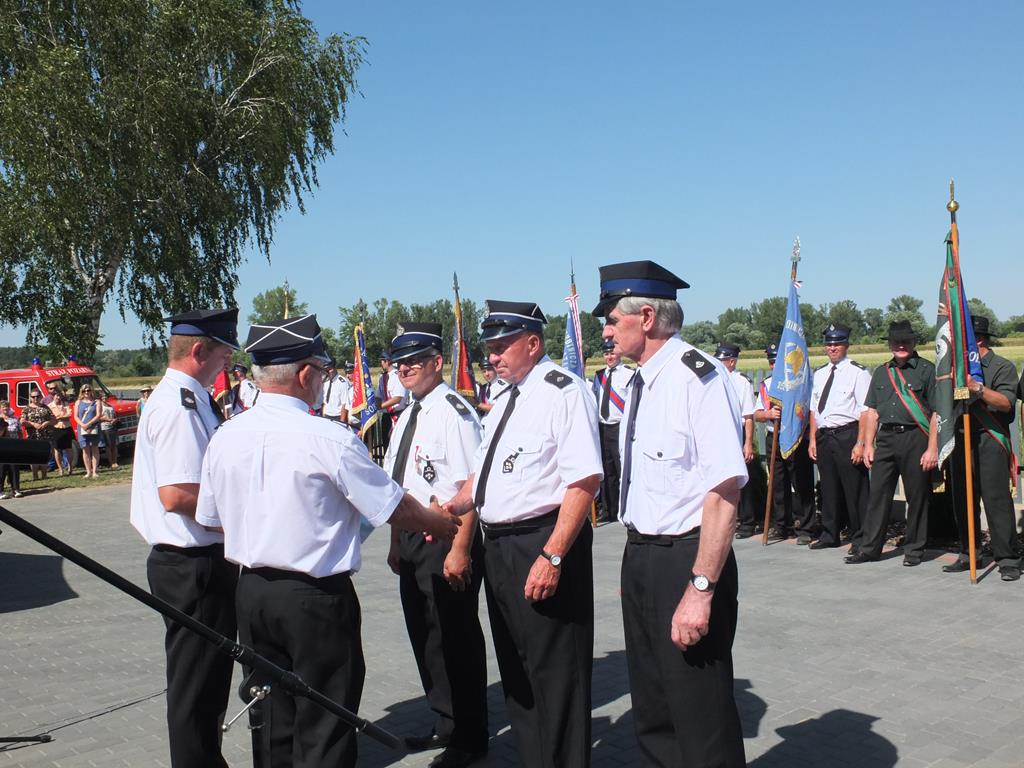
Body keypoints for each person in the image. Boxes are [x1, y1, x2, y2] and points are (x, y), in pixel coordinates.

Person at [195, 314, 462, 768]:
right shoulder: (328, 438)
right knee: (325, 721)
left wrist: (263, 528)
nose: (322, 379)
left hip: (252, 593)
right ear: (304, 373)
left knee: (271, 719)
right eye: (320, 370)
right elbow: (392, 505)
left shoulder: (225, 436)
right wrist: (438, 523)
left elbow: (210, 519)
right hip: (314, 599)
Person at [594, 260, 747, 767]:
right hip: (642, 556)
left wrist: (700, 589)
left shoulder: (696, 379)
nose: (606, 331)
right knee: (653, 708)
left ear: (646, 317)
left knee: (699, 712)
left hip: (688, 559)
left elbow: (723, 493)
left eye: (612, 319)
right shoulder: (639, 381)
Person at [442, 300, 602, 768]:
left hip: (543, 542)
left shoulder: (562, 392)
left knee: (558, 677)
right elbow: (483, 477)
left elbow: (584, 481)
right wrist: (449, 509)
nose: (491, 357)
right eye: (489, 348)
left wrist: (553, 556)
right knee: (518, 672)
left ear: (533, 344)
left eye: (501, 347)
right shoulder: (505, 400)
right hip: (499, 547)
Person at [129, 307, 240, 768]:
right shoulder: (179, 406)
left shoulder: (190, 399)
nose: (229, 364)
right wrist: (244, 523)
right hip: (192, 565)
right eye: (224, 355)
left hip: (196, 563)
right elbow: (177, 494)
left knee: (207, 686)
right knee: (196, 688)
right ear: (199, 350)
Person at [382, 322, 489, 768]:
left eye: (414, 361)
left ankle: (470, 736)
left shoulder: (453, 412)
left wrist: (460, 550)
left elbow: (471, 485)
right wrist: (395, 541)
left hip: (447, 537)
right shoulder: (409, 414)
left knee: (455, 637)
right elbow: (398, 486)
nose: (405, 369)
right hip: (411, 538)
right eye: (399, 363)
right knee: (425, 635)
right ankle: (445, 720)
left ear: (437, 362)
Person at [846, 320, 939, 567]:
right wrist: (868, 444)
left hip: (915, 438)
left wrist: (932, 447)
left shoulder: (926, 370)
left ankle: (914, 549)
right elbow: (872, 411)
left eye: (905, 341)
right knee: (878, 495)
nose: (900, 345)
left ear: (914, 342)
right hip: (886, 439)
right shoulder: (881, 372)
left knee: (917, 497)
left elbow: (936, 414)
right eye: (896, 342)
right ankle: (870, 549)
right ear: (889, 344)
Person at [943, 316, 1020, 580]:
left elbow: (1006, 403)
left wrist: (977, 388)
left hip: (989, 438)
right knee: (963, 500)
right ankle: (969, 553)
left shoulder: (1002, 366)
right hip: (961, 437)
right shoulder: (954, 369)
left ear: (977, 341)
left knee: (996, 501)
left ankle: (1007, 558)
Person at [807, 324, 871, 550]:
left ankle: (860, 537)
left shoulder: (858, 372)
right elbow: (814, 409)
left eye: (837, 344)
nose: (832, 348)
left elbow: (865, 411)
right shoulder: (820, 373)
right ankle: (830, 534)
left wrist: (860, 443)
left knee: (855, 489)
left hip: (848, 434)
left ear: (846, 345)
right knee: (828, 488)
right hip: (825, 436)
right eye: (829, 344)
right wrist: (813, 439)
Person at [753, 342, 816, 542]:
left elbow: (809, 409)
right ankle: (782, 525)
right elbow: (757, 414)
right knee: (778, 485)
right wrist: (768, 414)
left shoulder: (799, 382)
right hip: (774, 437)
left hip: (796, 437)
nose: (774, 366)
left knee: (801, 483)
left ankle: (806, 528)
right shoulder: (767, 384)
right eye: (771, 362)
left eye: (777, 362)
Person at [714, 342, 759, 539]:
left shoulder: (741, 382)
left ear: (732, 362)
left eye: (723, 360)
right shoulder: (714, 379)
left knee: (742, 479)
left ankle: (748, 521)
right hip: (718, 431)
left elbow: (748, 416)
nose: (719, 363)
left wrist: (747, 443)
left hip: (736, 430)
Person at [591, 338, 634, 523]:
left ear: (619, 353)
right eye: (606, 354)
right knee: (607, 471)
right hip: (603, 427)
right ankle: (609, 509)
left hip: (620, 427)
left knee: (622, 469)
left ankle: (627, 508)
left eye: (612, 353)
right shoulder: (599, 376)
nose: (609, 357)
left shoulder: (629, 374)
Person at [20, 388, 53, 480]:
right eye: (33, 397)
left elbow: (54, 420)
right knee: (34, 456)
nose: (35, 398)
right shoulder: (26, 409)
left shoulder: (46, 407)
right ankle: (35, 476)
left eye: (37, 396)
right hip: (32, 436)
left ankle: (44, 475)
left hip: (45, 436)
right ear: (30, 397)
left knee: (44, 455)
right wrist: (33, 424)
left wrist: (47, 423)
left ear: (41, 397)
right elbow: (22, 421)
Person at [75, 384, 102, 478]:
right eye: (84, 391)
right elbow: (76, 416)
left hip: (94, 427)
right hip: (82, 428)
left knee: (95, 448)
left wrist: (89, 424)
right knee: (85, 449)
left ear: (91, 391)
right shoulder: (78, 402)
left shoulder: (97, 402)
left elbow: (98, 415)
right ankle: (88, 471)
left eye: (88, 390)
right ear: (81, 392)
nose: (86, 392)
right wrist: (83, 425)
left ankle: (94, 471)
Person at [47, 388, 74, 475]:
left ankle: (70, 466)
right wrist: (62, 416)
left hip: (66, 428)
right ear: (53, 396)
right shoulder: (49, 406)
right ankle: (60, 468)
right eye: (56, 396)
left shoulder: (65, 404)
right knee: (57, 449)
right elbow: (51, 418)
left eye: (59, 396)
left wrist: (58, 417)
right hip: (56, 428)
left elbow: (69, 415)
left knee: (69, 448)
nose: (58, 398)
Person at [0, 401, 23, 499]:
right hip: (2, 448)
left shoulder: (14, 419)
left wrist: (20, 443)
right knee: (1, 469)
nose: (5, 409)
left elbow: (19, 432)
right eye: (3, 407)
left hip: (13, 446)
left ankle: (16, 490)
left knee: (14, 468)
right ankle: (0, 491)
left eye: (7, 407)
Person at [321, 357, 350, 423]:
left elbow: (344, 404)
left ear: (334, 368)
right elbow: (325, 403)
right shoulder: (326, 382)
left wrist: (342, 422)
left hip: (338, 417)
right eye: (326, 370)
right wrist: (323, 416)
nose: (328, 372)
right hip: (326, 416)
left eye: (329, 369)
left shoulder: (342, 383)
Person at [99, 392, 120, 469]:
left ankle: (115, 461)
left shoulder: (110, 406)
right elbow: (99, 417)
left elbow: (115, 415)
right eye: (103, 396)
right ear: (101, 398)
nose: (105, 398)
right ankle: (111, 462)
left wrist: (115, 419)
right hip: (105, 427)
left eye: (105, 396)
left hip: (113, 426)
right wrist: (109, 420)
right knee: (108, 445)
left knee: (114, 445)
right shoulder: (100, 406)